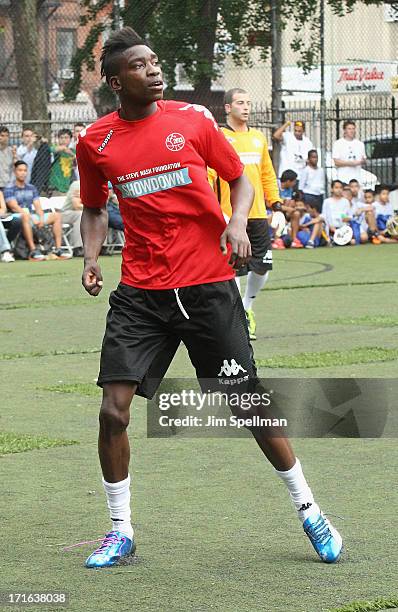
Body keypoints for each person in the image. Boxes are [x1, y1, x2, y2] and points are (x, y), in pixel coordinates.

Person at [77, 26, 342, 570]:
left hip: (207, 286)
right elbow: (96, 208)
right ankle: (120, 531)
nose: (153, 70)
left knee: (248, 404)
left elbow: (238, 180)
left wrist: (237, 222)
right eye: (139, 65)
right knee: (112, 412)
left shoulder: (193, 121)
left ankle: (310, 510)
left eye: (155, 61)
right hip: (141, 293)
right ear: (114, 81)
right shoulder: (96, 142)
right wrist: (88, 258)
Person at [208, 87, 282, 341]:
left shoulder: (259, 138)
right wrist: (215, 211)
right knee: (235, 268)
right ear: (228, 108)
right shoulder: (218, 137)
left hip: (258, 214)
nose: (246, 107)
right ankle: (239, 316)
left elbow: (267, 174)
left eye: (249, 102)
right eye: (240, 102)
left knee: (263, 267)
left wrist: (276, 204)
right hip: (230, 216)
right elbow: (209, 176)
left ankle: (247, 308)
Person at [4, 160, 71, 260]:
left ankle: (58, 249)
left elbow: (38, 206)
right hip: (16, 216)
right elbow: (14, 207)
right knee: (25, 216)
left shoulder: (31, 188)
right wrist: (31, 217)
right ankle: (33, 250)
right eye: (20, 170)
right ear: (15, 171)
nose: (23, 173)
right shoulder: (9, 188)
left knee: (57, 215)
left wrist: (40, 218)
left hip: (32, 215)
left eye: (25, 170)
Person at [275, 170, 304, 249]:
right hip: (272, 212)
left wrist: (290, 207)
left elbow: (291, 203)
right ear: (288, 181)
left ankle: (294, 240)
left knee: (296, 214)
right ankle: (276, 240)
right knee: (279, 215)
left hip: (284, 211)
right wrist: (287, 207)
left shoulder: (290, 190)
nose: (294, 184)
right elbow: (272, 205)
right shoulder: (275, 186)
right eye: (293, 182)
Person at [49, 128, 75, 194]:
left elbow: (78, 159)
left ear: (70, 139)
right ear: (58, 139)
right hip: (56, 186)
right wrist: (63, 148)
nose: (63, 140)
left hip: (68, 187)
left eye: (66, 138)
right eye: (61, 138)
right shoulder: (55, 148)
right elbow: (51, 150)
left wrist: (71, 153)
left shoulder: (73, 151)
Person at [62, 179, 84, 256]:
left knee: (100, 214)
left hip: (85, 211)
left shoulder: (96, 184)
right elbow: (77, 206)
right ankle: (78, 248)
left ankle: (101, 247)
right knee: (80, 214)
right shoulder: (77, 184)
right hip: (66, 213)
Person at [0, 126, 15, 191]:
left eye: (7, 136)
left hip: (7, 185)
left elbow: (15, 167)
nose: (5, 138)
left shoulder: (11, 151)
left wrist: (15, 156)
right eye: (2, 135)